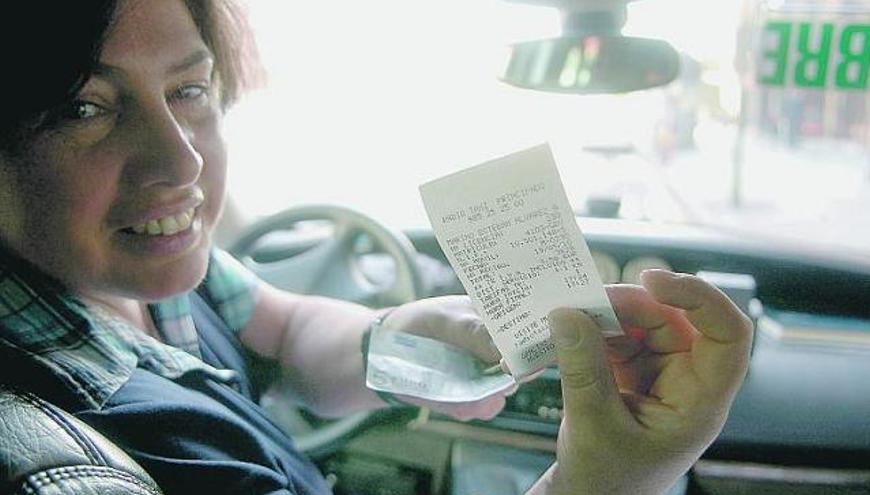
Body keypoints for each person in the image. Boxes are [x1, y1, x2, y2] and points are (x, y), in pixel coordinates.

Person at [0, 1, 754, 494]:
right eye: (83, 107)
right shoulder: (51, 461)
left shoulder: (137, 271)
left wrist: (402, 340)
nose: (183, 164)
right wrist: (607, 483)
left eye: (189, 90)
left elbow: (286, 331)